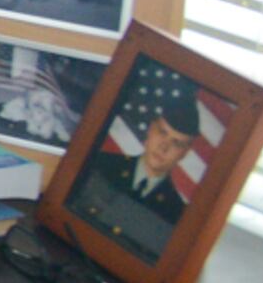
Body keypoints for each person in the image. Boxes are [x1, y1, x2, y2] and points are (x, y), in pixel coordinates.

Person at [71, 61, 206, 260]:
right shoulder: (100, 165)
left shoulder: (176, 212)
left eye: (176, 143)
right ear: (150, 130)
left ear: (185, 153)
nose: (164, 147)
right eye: (162, 132)